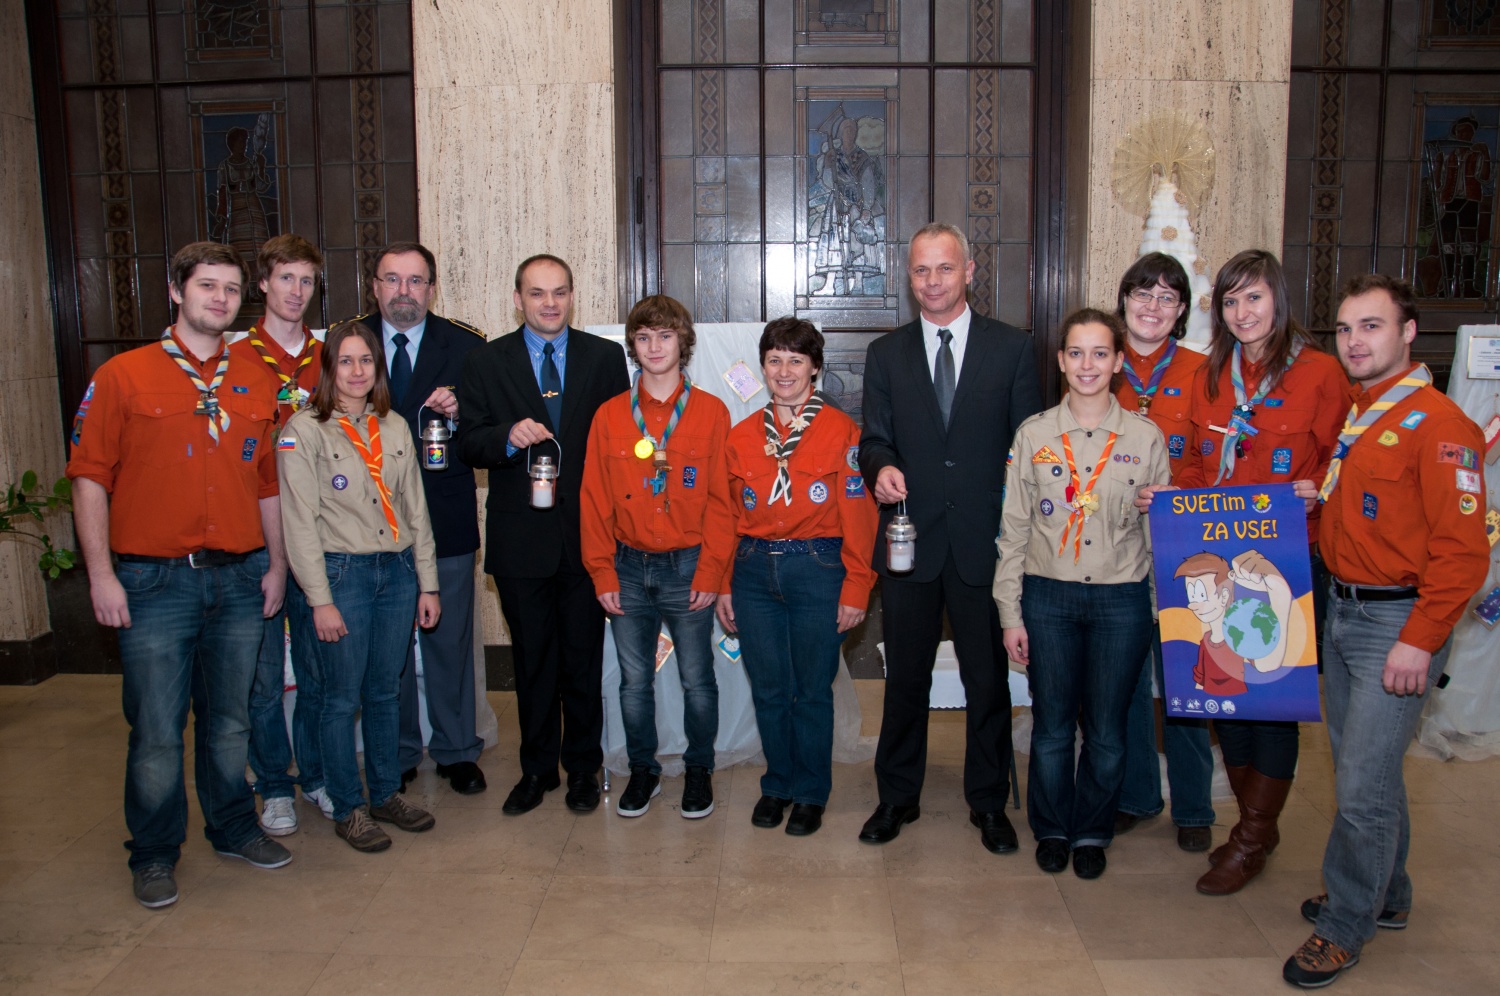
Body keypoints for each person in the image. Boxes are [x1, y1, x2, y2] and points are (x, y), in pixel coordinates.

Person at [67, 241, 292, 908]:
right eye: (207, 287)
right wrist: (101, 575)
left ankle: (232, 826)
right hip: (153, 583)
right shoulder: (123, 378)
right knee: (159, 728)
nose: (220, 299)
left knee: (230, 720)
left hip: (240, 577)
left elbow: (267, 484)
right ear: (176, 291)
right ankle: (156, 852)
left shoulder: (255, 380)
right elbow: (87, 480)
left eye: (230, 290)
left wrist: (276, 564)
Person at [1282, 274, 1489, 988]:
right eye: (1344, 330)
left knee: (1364, 785)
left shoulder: (1441, 427)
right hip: (1344, 609)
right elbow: (1374, 505)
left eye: (1370, 327)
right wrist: (1319, 494)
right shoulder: (1365, 412)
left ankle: (1342, 925)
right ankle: (1387, 894)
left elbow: (1464, 551)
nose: (1355, 342)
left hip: (1396, 622)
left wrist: (1420, 638)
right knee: (1361, 767)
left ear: (1407, 332)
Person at [1137, 248, 1349, 896]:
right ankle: (1261, 823)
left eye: (1253, 297)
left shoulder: (1319, 372)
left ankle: (1253, 835)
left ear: (1277, 301)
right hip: (1218, 556)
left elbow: (1347, 456)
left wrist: (1321, 486)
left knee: (1273, 699)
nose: (1242, 311)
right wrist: (1171, 496)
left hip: (1286, 557)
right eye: (1230, 301)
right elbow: (1201, 464)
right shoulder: (1214, 373)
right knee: (1228, 691)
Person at [857, 222, 1043, 852]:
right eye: (919, 270)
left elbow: (1028, 450)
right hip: (909, 544)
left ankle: (988, 802)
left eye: (943, 269)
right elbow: (874, 437)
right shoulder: (887, 355)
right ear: (908, 278)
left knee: (986, 680)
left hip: (984, 546)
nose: (931, 282)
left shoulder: (1013, 350)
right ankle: (896, 798)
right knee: (905, 676)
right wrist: (879, 466)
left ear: (969, 271)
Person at [995, 308, 1169, 879]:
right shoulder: (1034, 435)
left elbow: (1160, 537)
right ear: (1061, 360)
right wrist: (1009, 613)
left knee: (1108, 729)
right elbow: (1013, 531)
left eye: (1100, 353)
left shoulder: (1146, 439)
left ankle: (1092, 829)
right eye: (1076, 353)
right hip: (1049, 599)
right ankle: (1051, 826)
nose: (1087, 365)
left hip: (1121, 602)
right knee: (1050, 725)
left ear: (1119, 361)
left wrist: (1155, 612)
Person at [457, 254, 629, 815]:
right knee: (532, 663)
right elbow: (469, 443)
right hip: (520, 541)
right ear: (517, 299)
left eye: (559, 292)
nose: (549, 303)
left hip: (587, 539)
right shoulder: (485, 361)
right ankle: (537, 772)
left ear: (572, 296)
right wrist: (508, 437)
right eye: (537, 293)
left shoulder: (604, 358)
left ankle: (583, 768)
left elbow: (618, 446)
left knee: (581, 660)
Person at [277, 320, 441, 852]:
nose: (356, 371)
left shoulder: (393, 427)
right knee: (339, 697)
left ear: (378, 369)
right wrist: (319, 600)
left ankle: (385, 793)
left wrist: (428, 585)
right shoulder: (304, 430)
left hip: (394, 574)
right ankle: (346, 805)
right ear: (328, 369)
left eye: (365, 362)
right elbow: (298, 523)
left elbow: (416, 509)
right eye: (345, 361)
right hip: (341, 574)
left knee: (385, 691)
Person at [717, 317, 879, 836]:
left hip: (817, 568)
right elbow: (723, 516)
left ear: (815, 368)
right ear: (762, 367)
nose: (784, 370)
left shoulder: (843, 433)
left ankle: (811, 792)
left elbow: (860, 517)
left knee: (811, 688)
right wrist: (722, 582)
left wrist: (856, 586)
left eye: (796, 360)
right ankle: (778, 783)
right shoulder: (742, 437)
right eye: (774, 359)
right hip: (752, 571)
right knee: (768, 687)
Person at [579, 295, 734, 818]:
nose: (654, 347)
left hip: (688, 564)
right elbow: (595, 499)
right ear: (633, 346)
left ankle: (698, 769)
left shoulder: (712, 412)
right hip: (626, 565)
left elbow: (721, 501)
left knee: (697, 678)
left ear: (683, 343)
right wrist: (601, 570)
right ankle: (643, 769)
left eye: (665, 336)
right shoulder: (609, 416)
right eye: (644, 337)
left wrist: (713, 570)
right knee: (633, 681)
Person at [355, 242, 488, 796]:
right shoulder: (349, 344)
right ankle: (399, 749)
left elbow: (488, 432)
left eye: (415, 281)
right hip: (370, 518)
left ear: (432, 288)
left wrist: (462, 414)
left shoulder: (467, 346)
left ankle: (457, 750)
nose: (404, 291)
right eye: (392, 279)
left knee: (448, 639)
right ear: (374, 286)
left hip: (445, 513)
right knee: (388, 645)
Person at [1109, 252, 1215, 852]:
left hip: (1182, 543)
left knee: (1186, 676)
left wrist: (1181, 492)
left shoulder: (1206, 371)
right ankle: (1136, 795)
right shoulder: (1099, 360)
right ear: (1124, 300)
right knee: (1124, 679)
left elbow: (1216, 456)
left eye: (1167, 298)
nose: (1153, 307)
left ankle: (1194, 806)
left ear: (1181, 312)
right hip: (1115, 546)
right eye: (1143, 294)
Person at [229, 233, 331, 836]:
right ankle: (273, 783)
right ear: (262, 283)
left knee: (319, 670)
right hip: (256, 541)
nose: (296, 292)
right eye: (285, 279)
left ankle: (315, 772)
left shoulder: (329, 358)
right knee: (263, 678)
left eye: (307, 281)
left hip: (319, 539)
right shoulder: (233, 358)